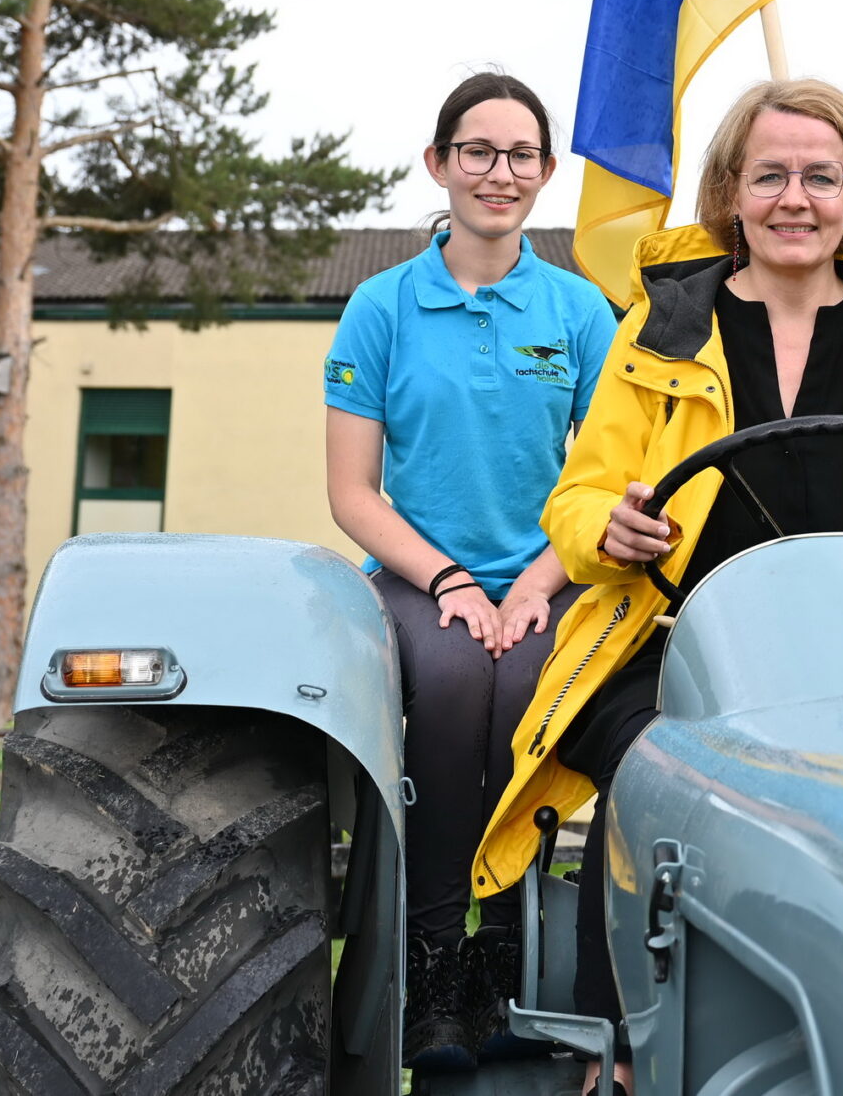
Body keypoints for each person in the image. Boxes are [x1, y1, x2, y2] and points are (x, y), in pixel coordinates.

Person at [470, 78, 843, 1094]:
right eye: (770, 173)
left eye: (820, 176)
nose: (796, 196)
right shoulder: (660, 330)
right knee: (655, 768)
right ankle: (622, 1054)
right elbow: (577, 499)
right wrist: (609, 528)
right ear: (731, 192)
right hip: (668, 643)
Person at [322, 72, 617, 1069]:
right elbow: (354, 492)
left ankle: (504, 952)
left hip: (549, 569)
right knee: (449, 682)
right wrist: (451, 583)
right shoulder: (380, 305)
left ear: (545, 172)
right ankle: (433, 958)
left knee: (530, 691)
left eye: (521, 154)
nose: (500, 172)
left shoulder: (579, 310)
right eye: (479, 152)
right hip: (418, 574)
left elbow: (609, 471)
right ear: (439, 164)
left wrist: (536, 582)